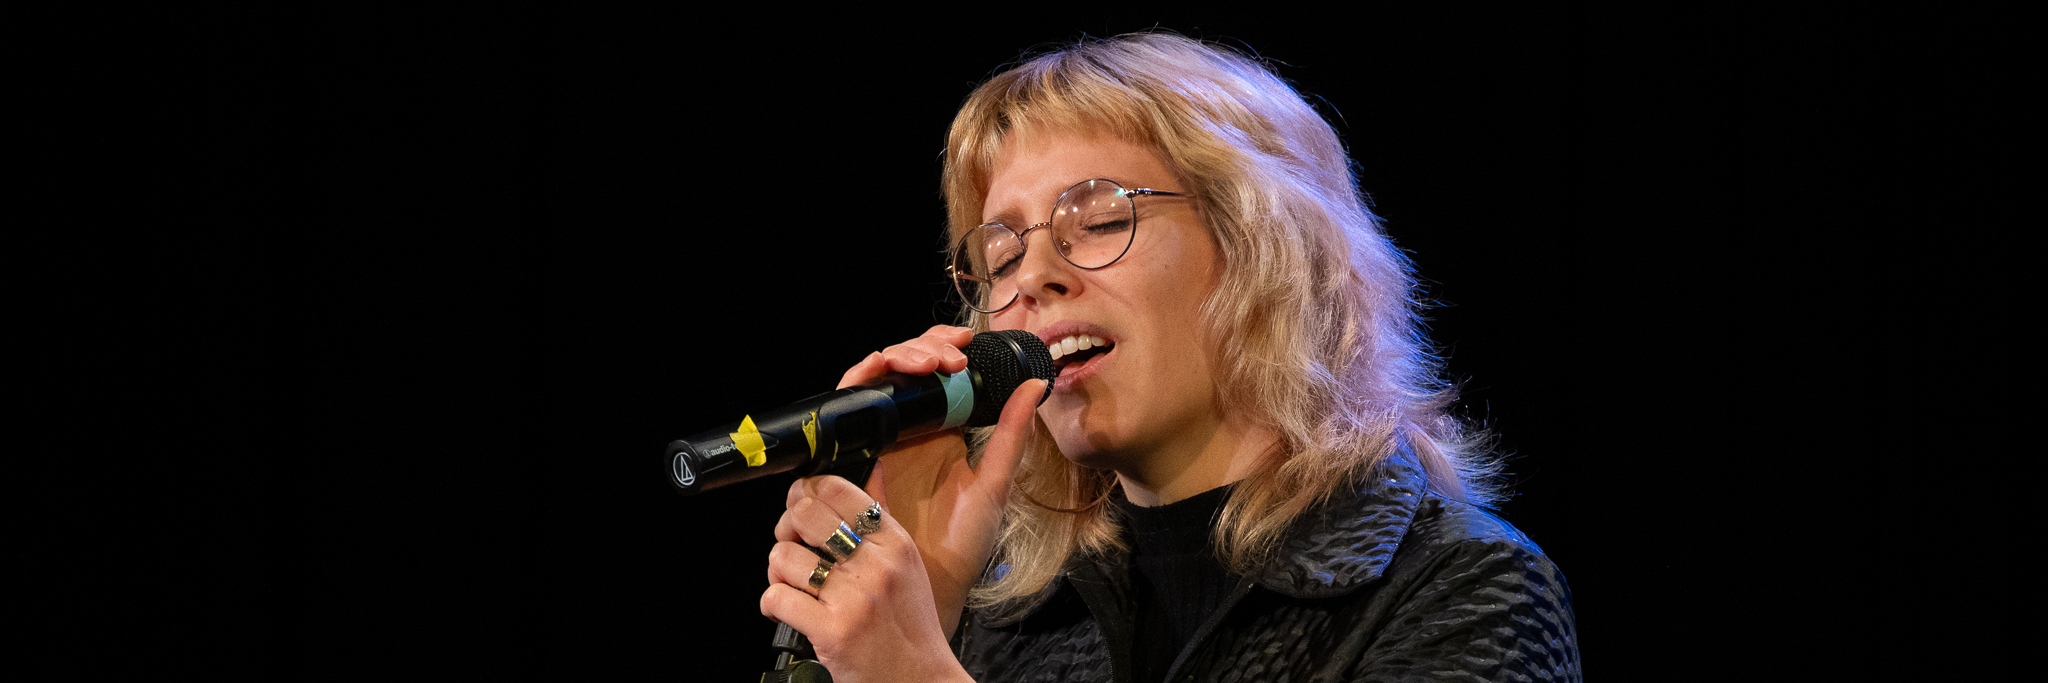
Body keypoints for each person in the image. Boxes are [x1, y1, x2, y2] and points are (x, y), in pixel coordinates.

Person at [759, 33, 1580, 682]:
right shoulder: (1011, 619)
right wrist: (919, 620)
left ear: (1266, 247)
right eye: (1002, 255)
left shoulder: (1467, 587)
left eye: (1098, 218)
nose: (1034, 275)